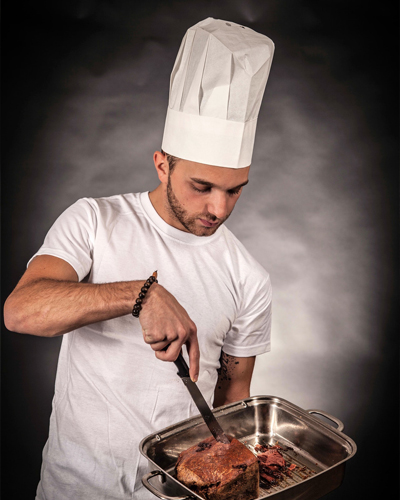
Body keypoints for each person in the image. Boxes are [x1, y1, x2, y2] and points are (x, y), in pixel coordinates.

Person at [4, 17, 274, 500]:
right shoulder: (94, 220)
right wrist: (140, 294)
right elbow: (21, 311)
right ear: (162, 165)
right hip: (75, 489)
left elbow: (232, 403)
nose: (219, 208)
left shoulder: (248, 277)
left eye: (235, 190)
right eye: (202, 187)